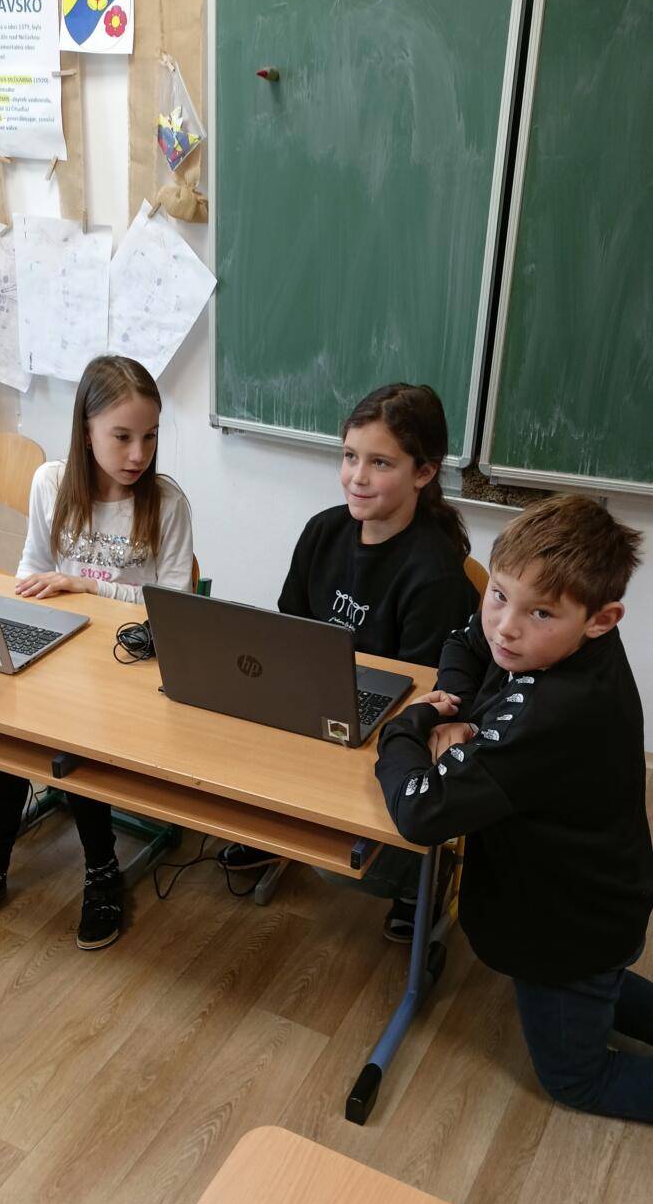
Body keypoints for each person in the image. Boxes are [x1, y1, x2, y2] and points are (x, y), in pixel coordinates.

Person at [376, 494, 653, 1121]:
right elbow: (465, 639)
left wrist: (408, 726)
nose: (505, 627)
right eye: (498, 595)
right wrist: (455, 706)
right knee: (599, 988)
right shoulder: (548, 643)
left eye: (540, 613)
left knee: (577, 1080)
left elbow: (420, 812)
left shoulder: (554, 713)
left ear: (602, 619)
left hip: (570, 926)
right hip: (592, 898)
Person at [0, 354, 193, 951]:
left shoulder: (166, 503)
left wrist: (87, 585)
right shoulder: (51, 482)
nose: (138, 454)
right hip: (62, 648)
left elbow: (174, 608)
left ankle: (101, 871)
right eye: (122, 437)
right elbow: (31, 572)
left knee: (73, 733)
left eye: (150, 436)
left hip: (129, 665)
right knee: (5, 728)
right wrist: (35, 604)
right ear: (86, 430)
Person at [220, 382, 477, 940]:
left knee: (338, 864)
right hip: (317, 698)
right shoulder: (324, 531)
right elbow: (289, 628)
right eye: (349, 456)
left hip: (392, 726)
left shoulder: (433, 573)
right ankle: (279, 825)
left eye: (380, 463)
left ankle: (419, 877)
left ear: (424, 472)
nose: (356, 476)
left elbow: (424, 695)